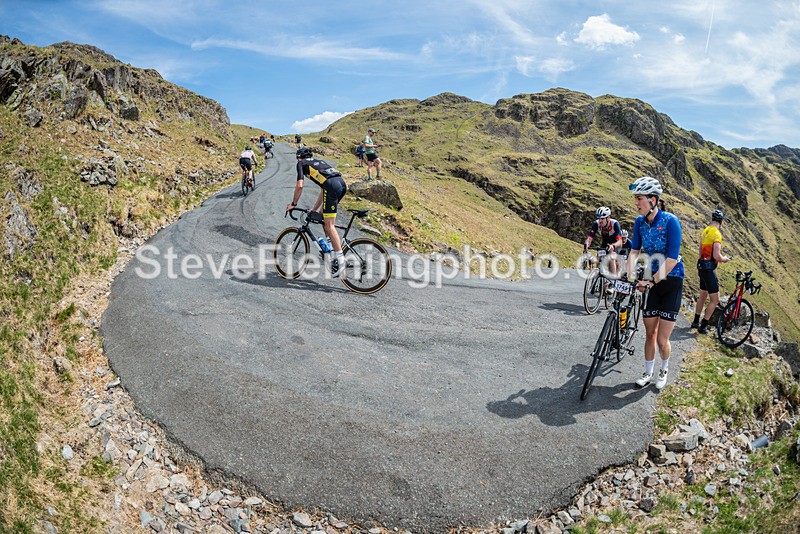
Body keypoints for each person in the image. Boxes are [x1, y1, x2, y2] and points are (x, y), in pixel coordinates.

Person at [626, 176, 684, 391]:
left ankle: (664, 369)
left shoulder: (670, 221)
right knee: (649, 333)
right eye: (636, 199)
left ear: (652, 199)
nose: (636, 203)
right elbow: (634, 252)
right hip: (651, 279)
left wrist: (650, 281)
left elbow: (671, 259)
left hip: (672, 281)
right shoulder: (639, 222)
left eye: (639, 198)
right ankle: (648, 372)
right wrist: (625, 276)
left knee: (662, 339)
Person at [286, 147, 348, 277]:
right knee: (322, 217)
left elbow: (299, 185)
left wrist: (293, 204)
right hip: (341, 184)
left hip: (331, 187)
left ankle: (340, 260)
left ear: (299, 157)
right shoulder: (319, 162)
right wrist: (314, 209)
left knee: (330, 226)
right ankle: (331, 249)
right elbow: (323, 190)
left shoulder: (301, 163)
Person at [692, 209, 731, 333]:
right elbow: (716, 256)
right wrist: (725, 259)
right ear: (721, 222)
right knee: (715, 299)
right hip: (709, 269)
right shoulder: (717, 234)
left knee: (702, 295)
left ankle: (695, 321)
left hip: (701, 266)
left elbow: (700, 250)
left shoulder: (705, 231)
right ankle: (703, 326)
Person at [583, 206, 622, 276]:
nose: (600, 221)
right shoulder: (596, 224)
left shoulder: (615, 224)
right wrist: (586, 244)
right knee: (598, 260)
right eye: (599, 218)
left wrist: (613, 246)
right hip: (605, 244)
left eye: (602, 218)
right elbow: (590, 238)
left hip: (615, 245)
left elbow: (620, 241)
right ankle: (598, 279)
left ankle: (612, 279)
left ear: (608, 218)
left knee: (611, 257)